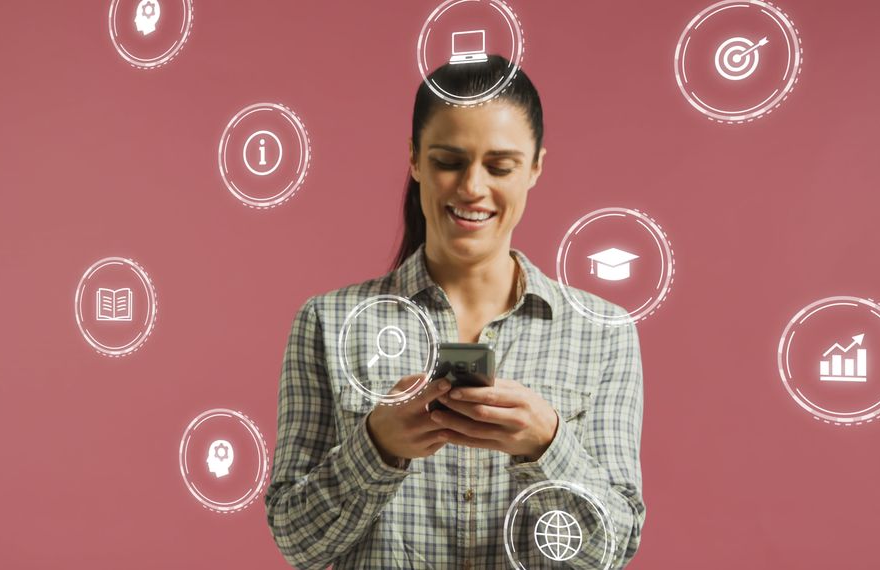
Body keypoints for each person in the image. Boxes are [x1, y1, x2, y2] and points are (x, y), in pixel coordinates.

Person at [265, 55, 645, 569]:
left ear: (534, 168)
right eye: (448, 161)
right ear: (415, 160)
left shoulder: (603, 333)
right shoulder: (328, 322)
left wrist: (547, 445)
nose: (471, 187)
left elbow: (613, 551)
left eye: (500, 166)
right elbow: (297, 541)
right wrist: (377, 447)